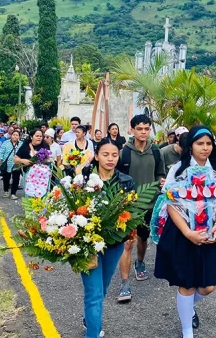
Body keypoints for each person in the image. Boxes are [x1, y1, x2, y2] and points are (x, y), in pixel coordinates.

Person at [154, 126, 216, 338]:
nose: (205, 148)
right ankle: (187, 330)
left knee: (207, 287)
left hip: (209, 233)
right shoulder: (178, 169)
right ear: (191, 146)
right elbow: (171, 204)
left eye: (208, 143)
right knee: (187, 284)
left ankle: (187, 308)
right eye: (199, 143)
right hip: (183, 233)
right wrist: (188, 233)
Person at [80, 142, 135, 338]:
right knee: (94, 294)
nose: (110, 159)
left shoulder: (126, 181)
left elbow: (132, 211)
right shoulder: (83, 179)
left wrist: (129, 232)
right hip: (86, 245)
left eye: (114, 155)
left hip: (114, 244)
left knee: (102, 288)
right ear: (96, 156)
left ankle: (89, 318)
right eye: (105, 154)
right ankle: (92, 334)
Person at [115, 114, 166, 303]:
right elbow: (117, 176)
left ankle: (141, 262)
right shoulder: (124, 152)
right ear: (132, 130)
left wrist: (161, 181)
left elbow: (160, 172)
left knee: (143, 239)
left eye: (146, 129)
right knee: (128, 243)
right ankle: (124, 285)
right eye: (139, 129)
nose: (143, 132)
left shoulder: (156, 151)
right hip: (129, 204)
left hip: (150, 203)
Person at [0, 130, 22, 200]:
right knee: (6, 179)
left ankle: (13, 193)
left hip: (17, 164)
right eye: (14, 135)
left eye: (17, 135)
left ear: (19, 137)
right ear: (11, 135)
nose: (15, 136)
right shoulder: (5, 143)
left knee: (16, 179)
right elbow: (1, 154)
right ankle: (6, 190)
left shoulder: (21, 144)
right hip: (7, 164)